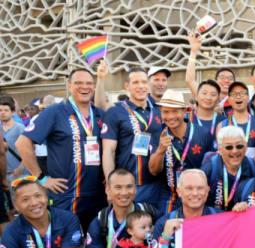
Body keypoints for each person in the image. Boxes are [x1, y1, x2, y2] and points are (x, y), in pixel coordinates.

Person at [16, 68, 107, 230]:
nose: (84, 87)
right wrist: (42, 178)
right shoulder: (55, 112)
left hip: (98, 195)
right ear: (69, 86)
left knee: (95, 246)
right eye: (78, 83)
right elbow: (22, 143)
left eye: (88, 83)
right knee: (68, 247)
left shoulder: (99, 114)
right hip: (67, 195)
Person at [102, 67, 165, 210]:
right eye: (135, 82)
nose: (141, 86)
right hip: (128, 187)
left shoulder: (158, 110)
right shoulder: (115, 111)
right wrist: (109, 185)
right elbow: (108, 151)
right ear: (127, 86)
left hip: (157, 185)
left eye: (144, 82)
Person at [148, 90, 214, 214]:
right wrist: (161, 151)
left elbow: (212, 169)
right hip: (170, 198)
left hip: (196, 196)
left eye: (175, 111)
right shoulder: (157, 135)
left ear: (185, 111)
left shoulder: (203, 133)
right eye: (166, 112)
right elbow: (153, 171)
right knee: (168, 231)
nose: (171, 116)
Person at [201, 126, 255, 211]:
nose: (234, 151)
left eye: (239, 146)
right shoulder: (209, 168)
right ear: (219, 149)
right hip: (215, 219)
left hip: (242, 218)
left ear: (246, 147)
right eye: (229, 147)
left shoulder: (254, 167)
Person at [216, 82, 255, 157]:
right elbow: (220, 153)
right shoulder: (222, 125)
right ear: (229, 100)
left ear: (248, 97)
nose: (238, 96)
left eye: (243, 93)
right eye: (233, 94)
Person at [0, 96, 26, 181]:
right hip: (2, 175)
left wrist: (21, 168)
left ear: (13, 112)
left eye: (6, 110)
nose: (2, 113)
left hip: (18, 174)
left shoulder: (20, 128)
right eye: (0, 110)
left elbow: (29, 151)